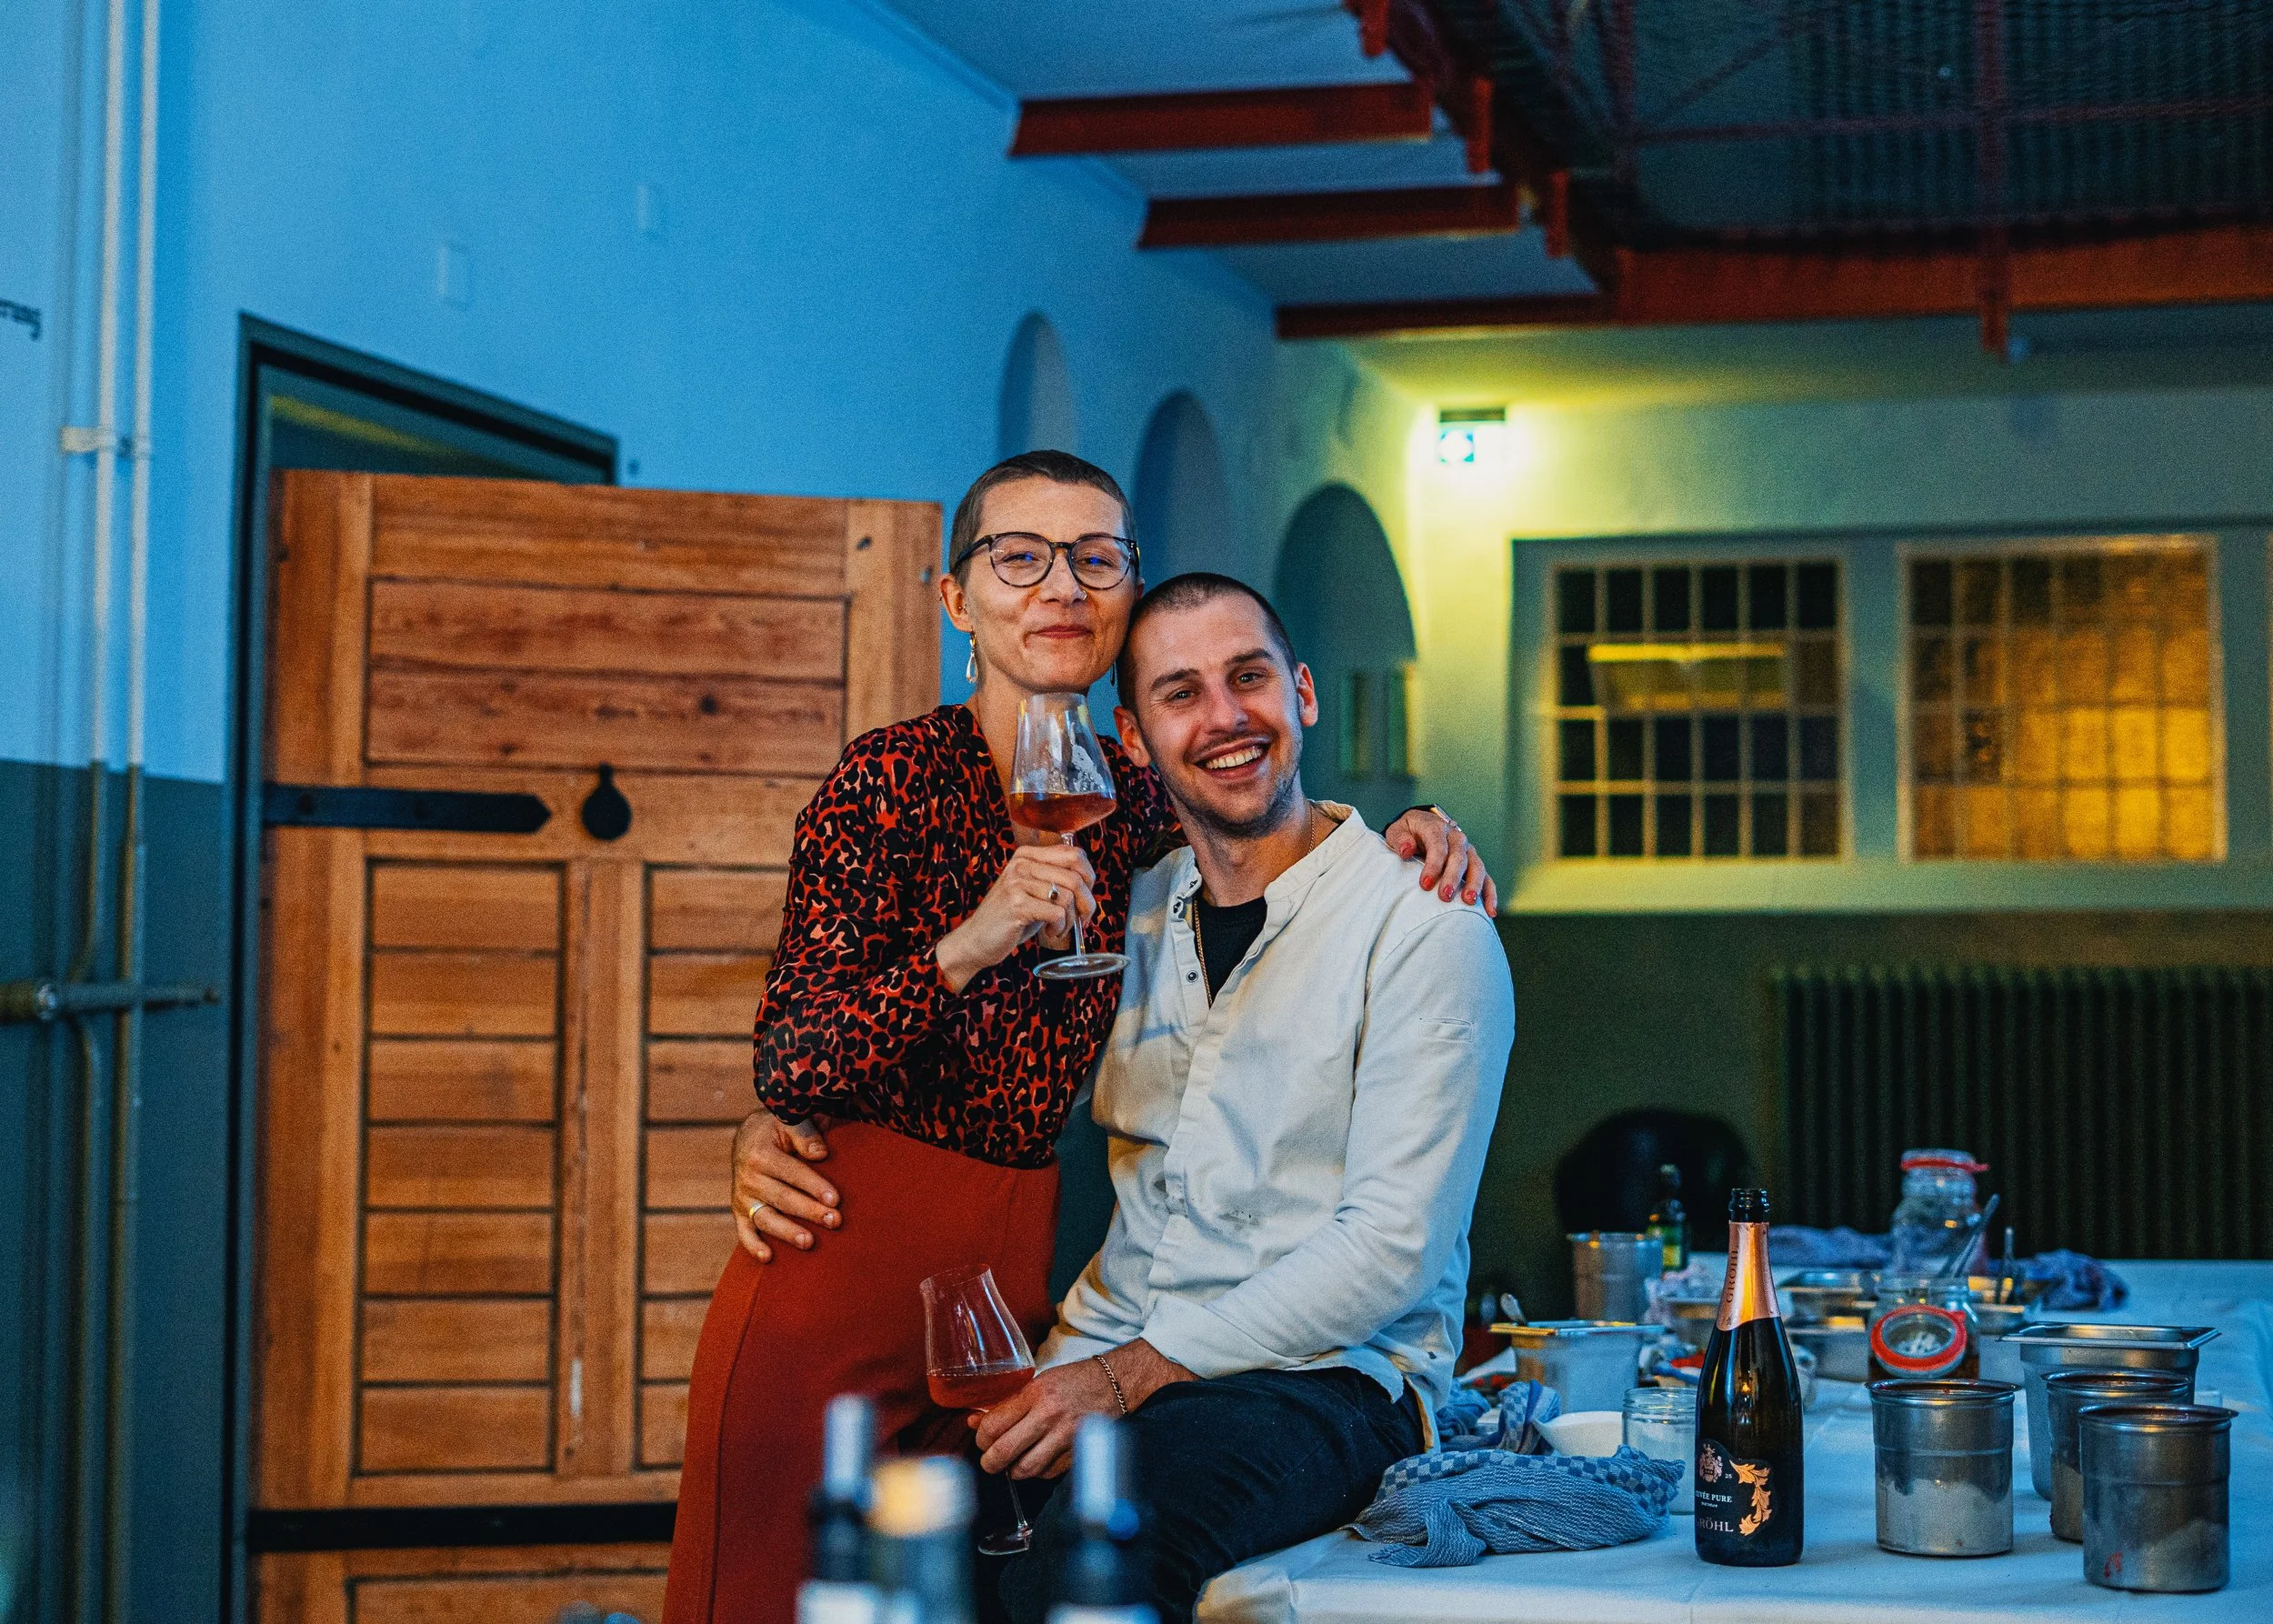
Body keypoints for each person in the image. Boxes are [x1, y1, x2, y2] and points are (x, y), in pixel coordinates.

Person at [662, 454, 1496, 1624]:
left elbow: (1262, 810)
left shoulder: (1132, 812)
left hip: (1009, 1279)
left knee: (949, 1587)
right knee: (782, 1590)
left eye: (1094, 559)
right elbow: (796, 1056)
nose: (1060, 587)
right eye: (1020, 558)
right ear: (958, 599)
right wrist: (963, 948)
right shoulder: (891, 780)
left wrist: (1411, 828)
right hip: (849, 1240)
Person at [974, 573, 1516, 1624]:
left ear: (1302, 693)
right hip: (1111, 1341)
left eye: (1249, 676)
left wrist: (1131, 1378)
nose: (1225, 716)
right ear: (1132, 738)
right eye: (1182, 692)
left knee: (1095, 1565)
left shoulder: (1426, 924)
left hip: (1325, 1381)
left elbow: (1389, 1248)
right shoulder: (1122, 914)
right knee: (928, 1539)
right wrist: (780, 1115)